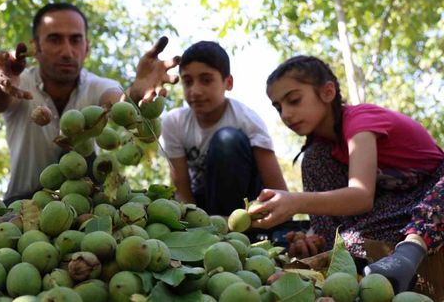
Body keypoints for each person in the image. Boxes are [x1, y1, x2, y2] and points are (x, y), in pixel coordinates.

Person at [252, 55, 444, 292]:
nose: (286, 114)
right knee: (314, 159)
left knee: (352, 240)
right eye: (279, 107)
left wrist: (295, 202)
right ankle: (330, 248)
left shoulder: (359, 122)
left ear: (328, 92)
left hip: (434, 192)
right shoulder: (325, 148)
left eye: (294, 100)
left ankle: (409, 251)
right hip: (397, 205)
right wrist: (313, 237)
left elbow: (361, 196)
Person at [0, 2, 179, 204]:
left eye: (75, 40)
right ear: (36, 47)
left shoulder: (99, 86)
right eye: (54, 39)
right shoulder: (19, 85)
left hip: (82, 206)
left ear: (87, 48)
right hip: (20, 206)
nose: (67, 51)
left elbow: (117, 101)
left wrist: (136, 94)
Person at [160, 41, 287, 216]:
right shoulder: (174, 123)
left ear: (228, 82)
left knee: (227, 139)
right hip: (204, 208)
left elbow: (278, 191)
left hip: (245, 209)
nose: (195, 91)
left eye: (206, 80)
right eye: (187, 82)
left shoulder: (246, 120)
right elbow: (181, 190)